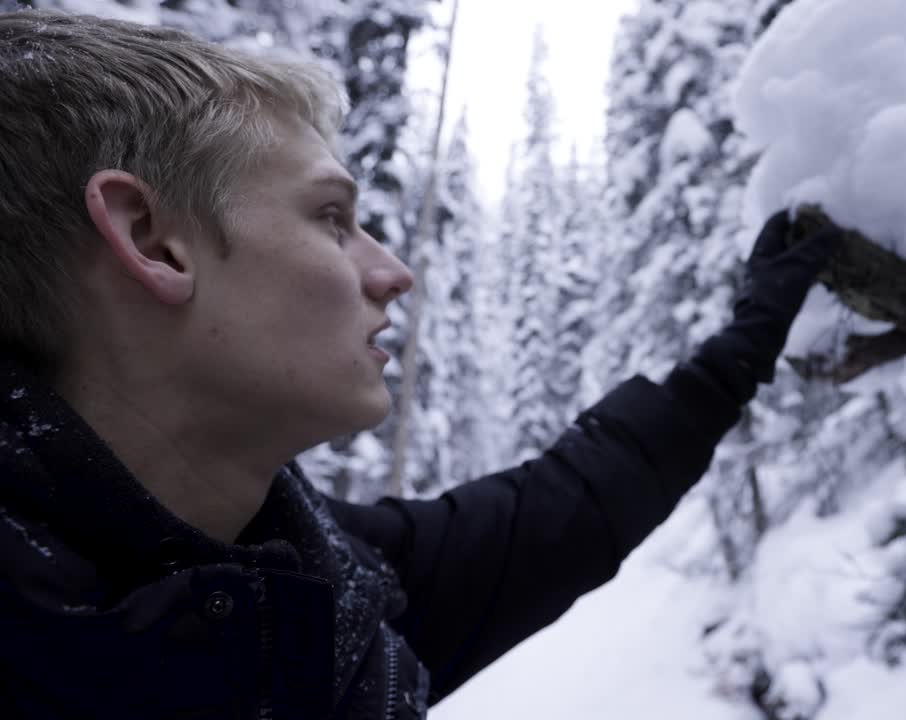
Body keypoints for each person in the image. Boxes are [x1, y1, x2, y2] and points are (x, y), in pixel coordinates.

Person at [0, 8, 838, 720]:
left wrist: (744, 344)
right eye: (332, 216)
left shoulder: (315, 589)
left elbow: (560, 511)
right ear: (152, 241)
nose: (394, 273)